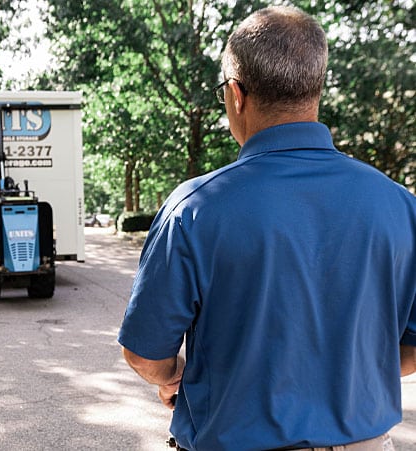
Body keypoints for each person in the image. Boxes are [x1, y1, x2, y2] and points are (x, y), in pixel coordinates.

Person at [117, 5, 416, 451]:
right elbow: (409, 351)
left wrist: (173, 377)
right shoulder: (400, 204)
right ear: (315, 88)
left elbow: (145, 352)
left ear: (236, 94)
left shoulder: (195, 208)